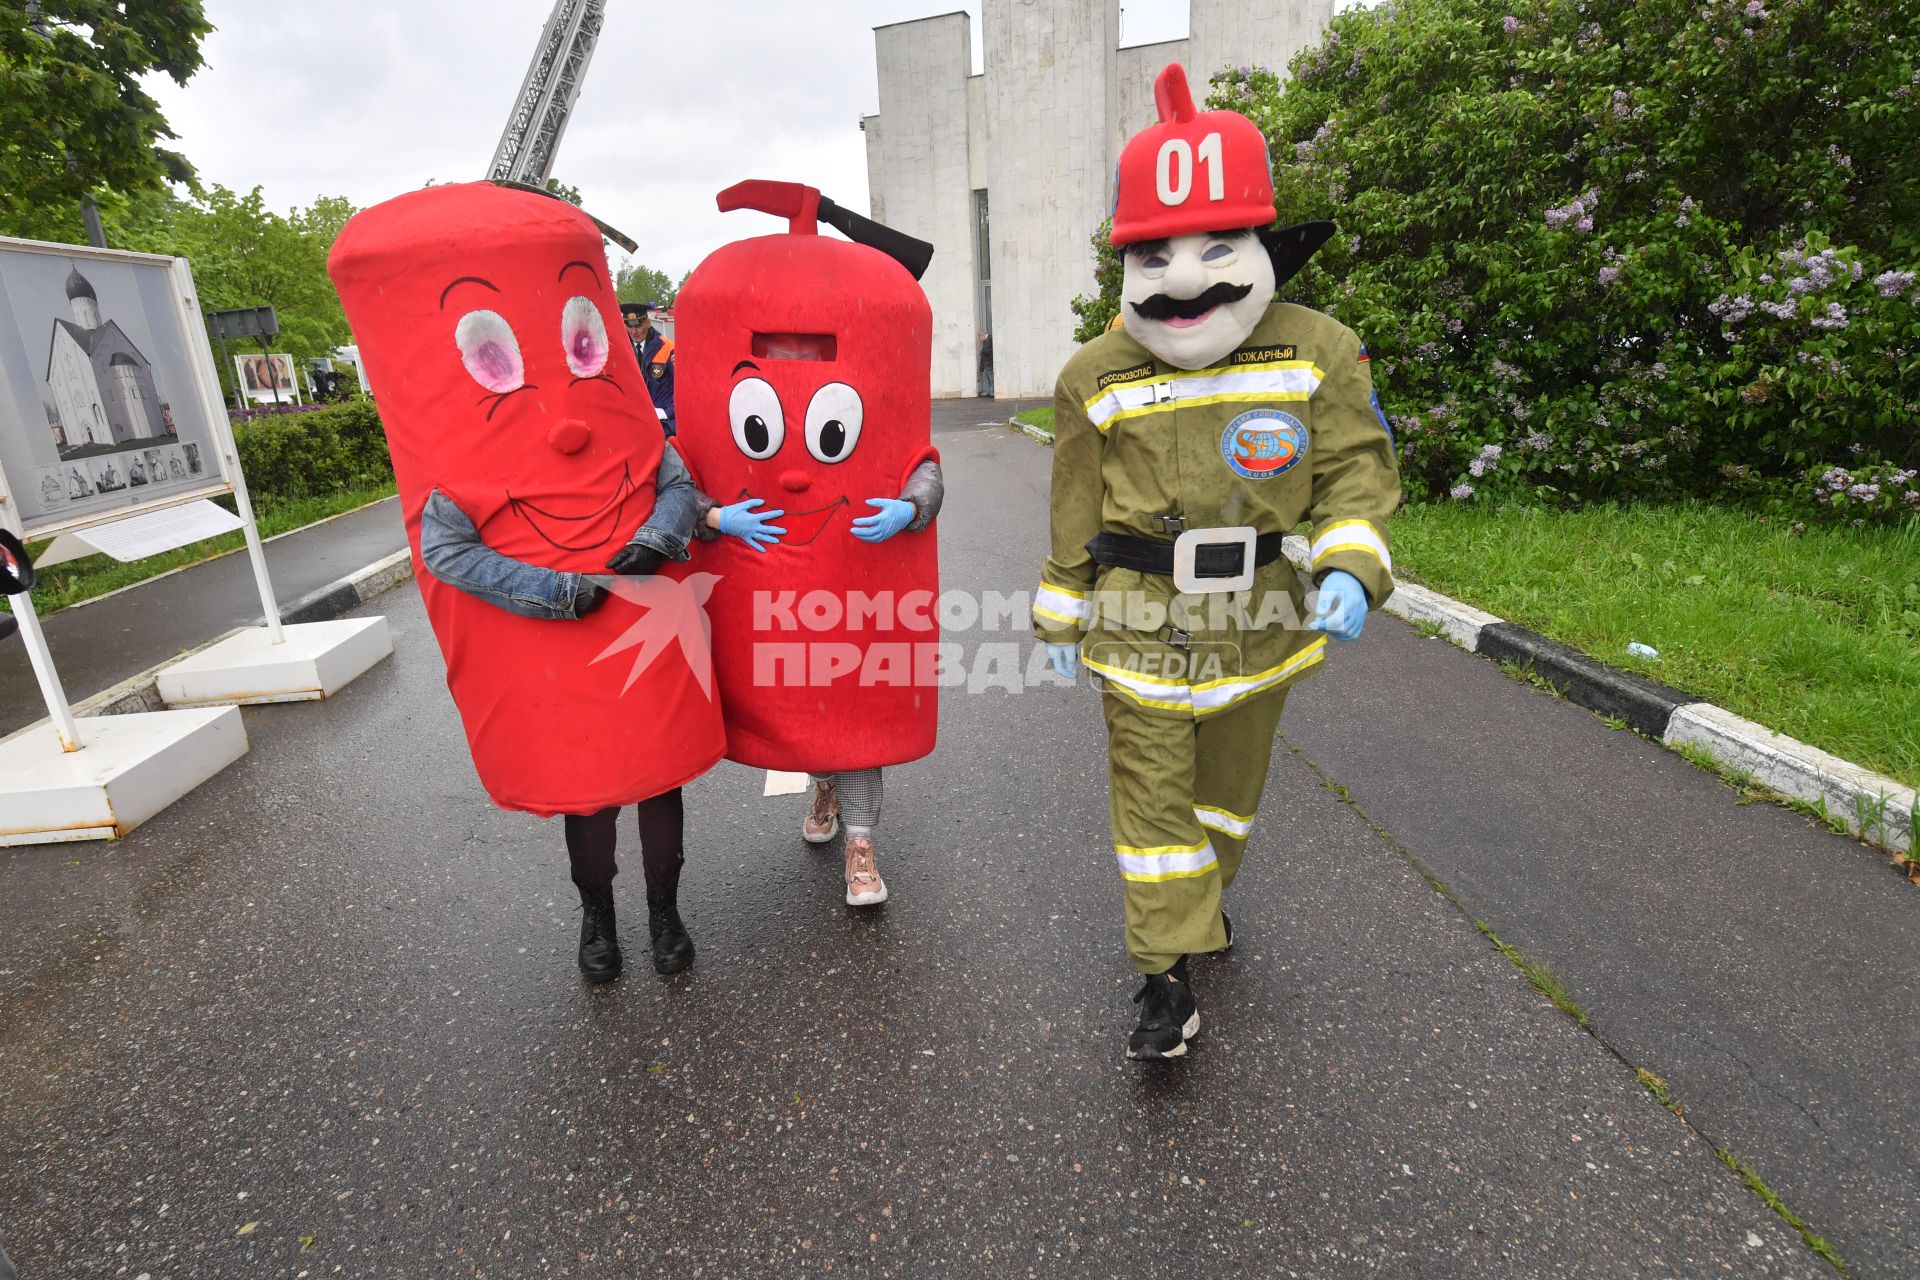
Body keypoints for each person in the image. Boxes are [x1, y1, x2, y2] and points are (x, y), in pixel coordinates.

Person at [1033, 63, 1401, 1062]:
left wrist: (1350, 567)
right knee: (1152, 800)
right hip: (1137, 620)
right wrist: (1061, 614)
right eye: (1154, 252)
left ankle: (1203, 902)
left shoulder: (1323, 349)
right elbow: (1073, 504)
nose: (1186, 277)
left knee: (1224, 802)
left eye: (1214, 246)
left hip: (1263, 617)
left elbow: (1357, 477)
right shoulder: (1090, 375)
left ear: (1259, 242)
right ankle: (1165, 980)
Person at [330, 182, 728, 984]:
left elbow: (675, 482)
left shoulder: (627, 419)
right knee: (588, 789)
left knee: (659, 775)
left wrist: (656, 539)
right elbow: (446, 552)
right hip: (556, 629)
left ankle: (665, 910)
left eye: (584, 345)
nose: (566, 417)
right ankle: (598, 916)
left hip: (641, 614)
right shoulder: (458, 459)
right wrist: (554, 591)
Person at [620, 301, 677, 436]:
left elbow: (682, 389)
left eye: (638, 326)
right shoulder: (621, 350)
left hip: (664, 424)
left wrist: (666, 412)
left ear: (648, 322)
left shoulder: (668, 348)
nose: (634, 332)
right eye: (629, 326)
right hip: (634, 423)